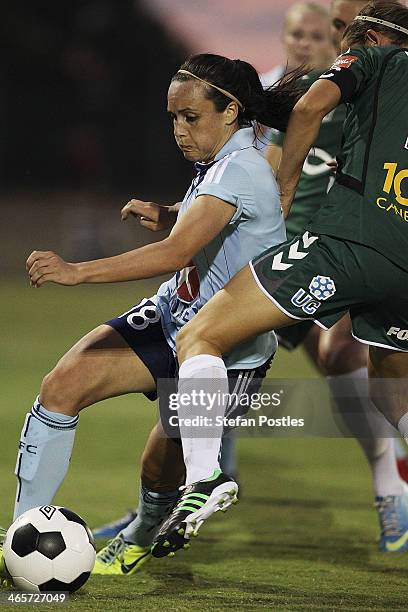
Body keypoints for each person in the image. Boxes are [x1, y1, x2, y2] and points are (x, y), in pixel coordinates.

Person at [12, 53, 306, 576]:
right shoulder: (224, 161)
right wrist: (171, 212)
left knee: (159, 466)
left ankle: (142, 534)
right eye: (173, 117)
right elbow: (212, 220)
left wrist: (75, 271)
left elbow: (173, 253)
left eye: (190, 117)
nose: (178, 129)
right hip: (173, 316)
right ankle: (20, 536)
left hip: (226, 350)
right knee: (62, 385)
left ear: (231, 111)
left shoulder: (240, 168)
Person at [151, 0, 408, 558]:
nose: (339, 41)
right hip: (392, 260)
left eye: (344, 31)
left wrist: (288, 183)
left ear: (364, 34)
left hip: (338, 246)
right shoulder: (273, 92)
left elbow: (310, 109)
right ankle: (391, 487)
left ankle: (202, 481)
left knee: (204, 336)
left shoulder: (367, 64)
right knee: (392, 394)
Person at [266, 0, 408, 554]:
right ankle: (171, 498)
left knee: (339, 353)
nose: (306, 41)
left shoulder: (364, 81)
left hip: (336, 246)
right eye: (295, 32)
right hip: (281, 245)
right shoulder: (275, 90)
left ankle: (388, 485)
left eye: (321, 30)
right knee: (227, 367)